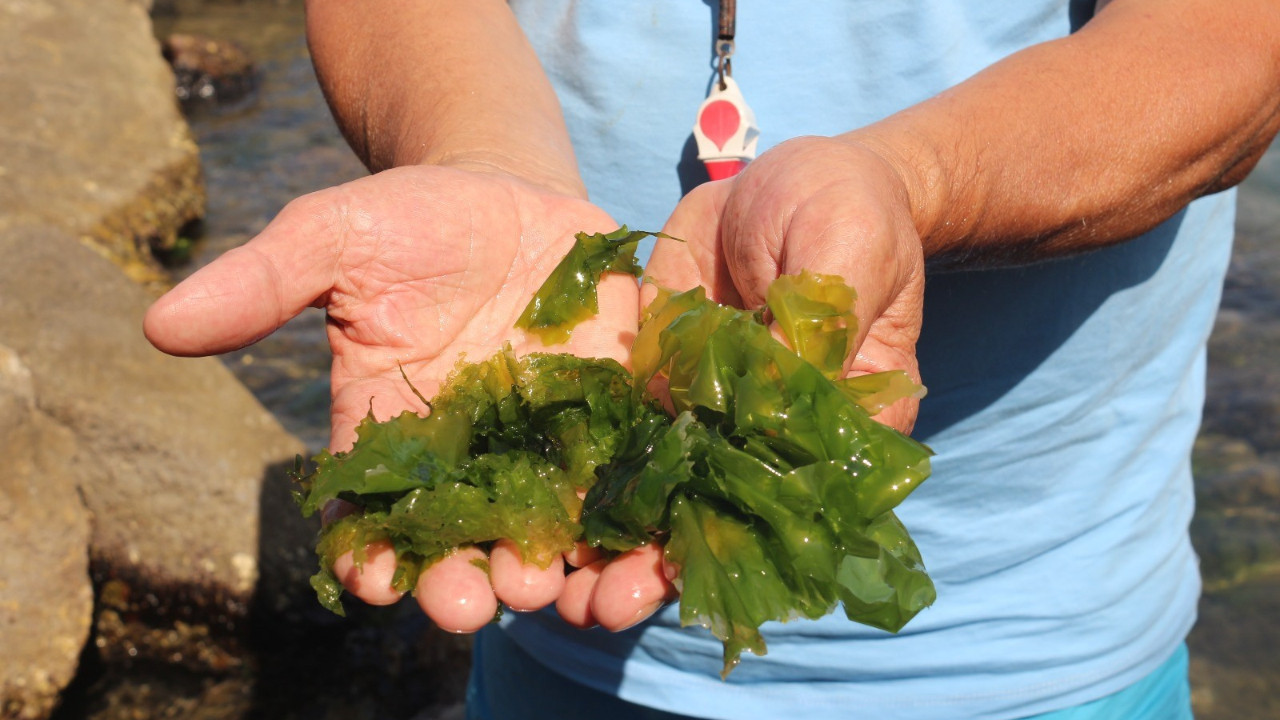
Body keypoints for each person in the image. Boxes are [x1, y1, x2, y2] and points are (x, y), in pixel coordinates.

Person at [144, 0, 1280, 718]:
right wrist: (475, 152)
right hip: (551, 637)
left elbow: (1227, 40)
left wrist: (907, 183)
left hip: (1031, 648)